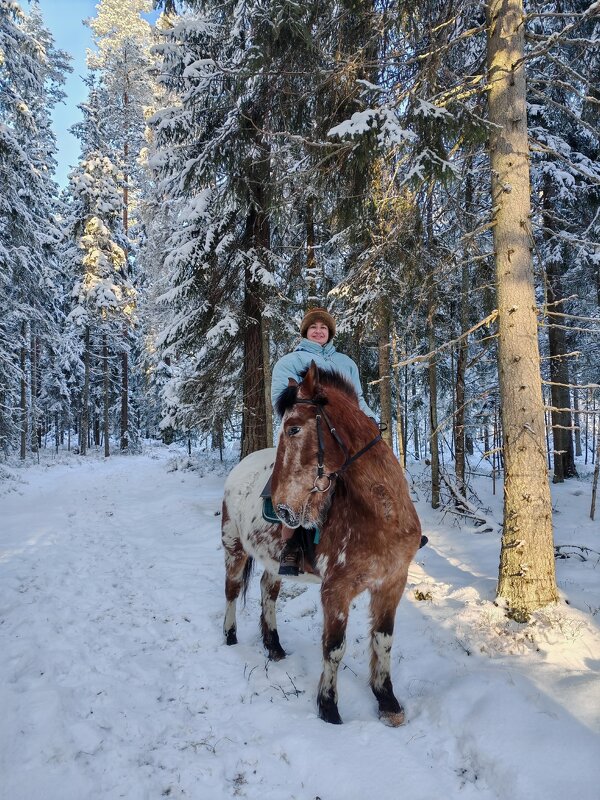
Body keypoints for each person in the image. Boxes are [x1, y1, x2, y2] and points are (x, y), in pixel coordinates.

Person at [271, 307, 376, 575]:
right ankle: (291, 545)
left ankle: (387, 529)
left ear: (330, 333)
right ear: (305, 332)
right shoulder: (288, 363)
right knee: (297, 482)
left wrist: (370, 419)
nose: (318, 331)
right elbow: (284, 404)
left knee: (377, 471)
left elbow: (358, 399)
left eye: (323, 327)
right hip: (305, 434)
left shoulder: (346, 363)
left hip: (344, 437)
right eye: (313, 327)